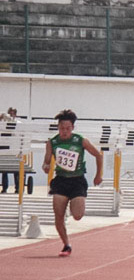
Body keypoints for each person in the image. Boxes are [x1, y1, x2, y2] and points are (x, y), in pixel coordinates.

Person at [42, 109, 103, 257]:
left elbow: (98, 155)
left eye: (68, 129)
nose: (64, 132)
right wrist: (46, 166)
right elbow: (46, 161)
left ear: (73, 128)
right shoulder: (52, 142)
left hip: (77, 181)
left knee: (77, 215)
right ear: (58, 128)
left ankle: (74, 204)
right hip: (61, 180)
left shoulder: (80, 140)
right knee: (58, 216)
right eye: (62, 128)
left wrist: (98, 175)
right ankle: (66, 244)